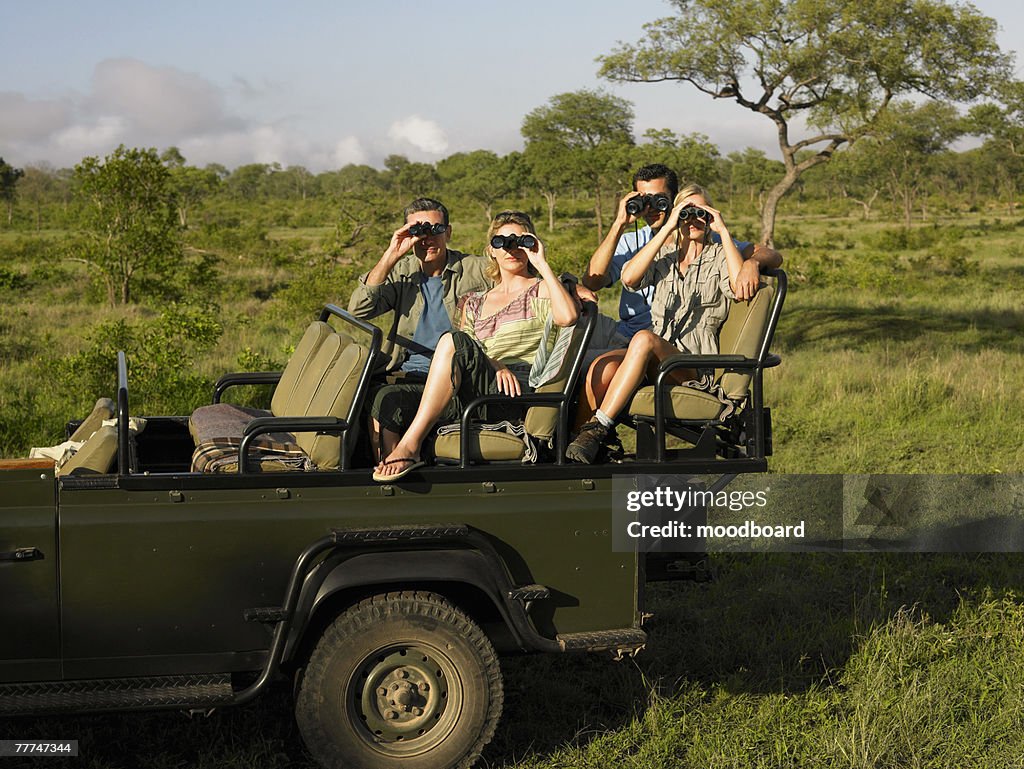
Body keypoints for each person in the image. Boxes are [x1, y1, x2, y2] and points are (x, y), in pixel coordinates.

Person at [576, 164, 783, 437]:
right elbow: (599, 279)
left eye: (659, 199)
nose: (651, 207)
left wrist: (751, 261)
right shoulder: (652, 250)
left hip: (674, 351)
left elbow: (766, 258)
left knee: (635, 345)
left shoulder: (717, 247)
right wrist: (622, 223)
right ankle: (575, 445)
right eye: (644, 200)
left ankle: (595, 431)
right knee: (592, 365)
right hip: (635, 339)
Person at [373, 211, 578, 481]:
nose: (511, 249)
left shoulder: (540, 289)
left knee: (451, 340)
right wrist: (496, 364)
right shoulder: (474, 301)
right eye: (501, 242)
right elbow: (467, 353)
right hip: (479, 385)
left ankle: (409, 448)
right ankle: (394, 476)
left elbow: (569, 317)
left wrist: (542, 264)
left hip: (516, 389)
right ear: (491, 250)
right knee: (388, 398)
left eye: (519, 242)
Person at [566, 185, 747, 464]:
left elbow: (738, 288)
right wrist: (667, 228)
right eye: (686, 214)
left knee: (643, 338)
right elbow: (630, 278)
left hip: (693, 364)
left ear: (711, 215)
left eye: (701, 213)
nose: (693, 220)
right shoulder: (665, 258)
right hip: (653, 358)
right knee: (602, 367)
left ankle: (599, 428)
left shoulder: (721, 256)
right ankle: (576, 446)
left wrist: (723, 232)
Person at [348, 198, 490, 462]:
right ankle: (383, 460)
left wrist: (571, 285)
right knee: (363, 392)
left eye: (435, 230)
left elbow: (525, 279)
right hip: (406, 371)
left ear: (448, 232)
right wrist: (392, 254)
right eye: (418, 231)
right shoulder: (402, 272)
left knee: (387, 399)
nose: (427, 239)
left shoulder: (475, 269)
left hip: (455, 379)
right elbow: (359, 308)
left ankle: (396, 462)